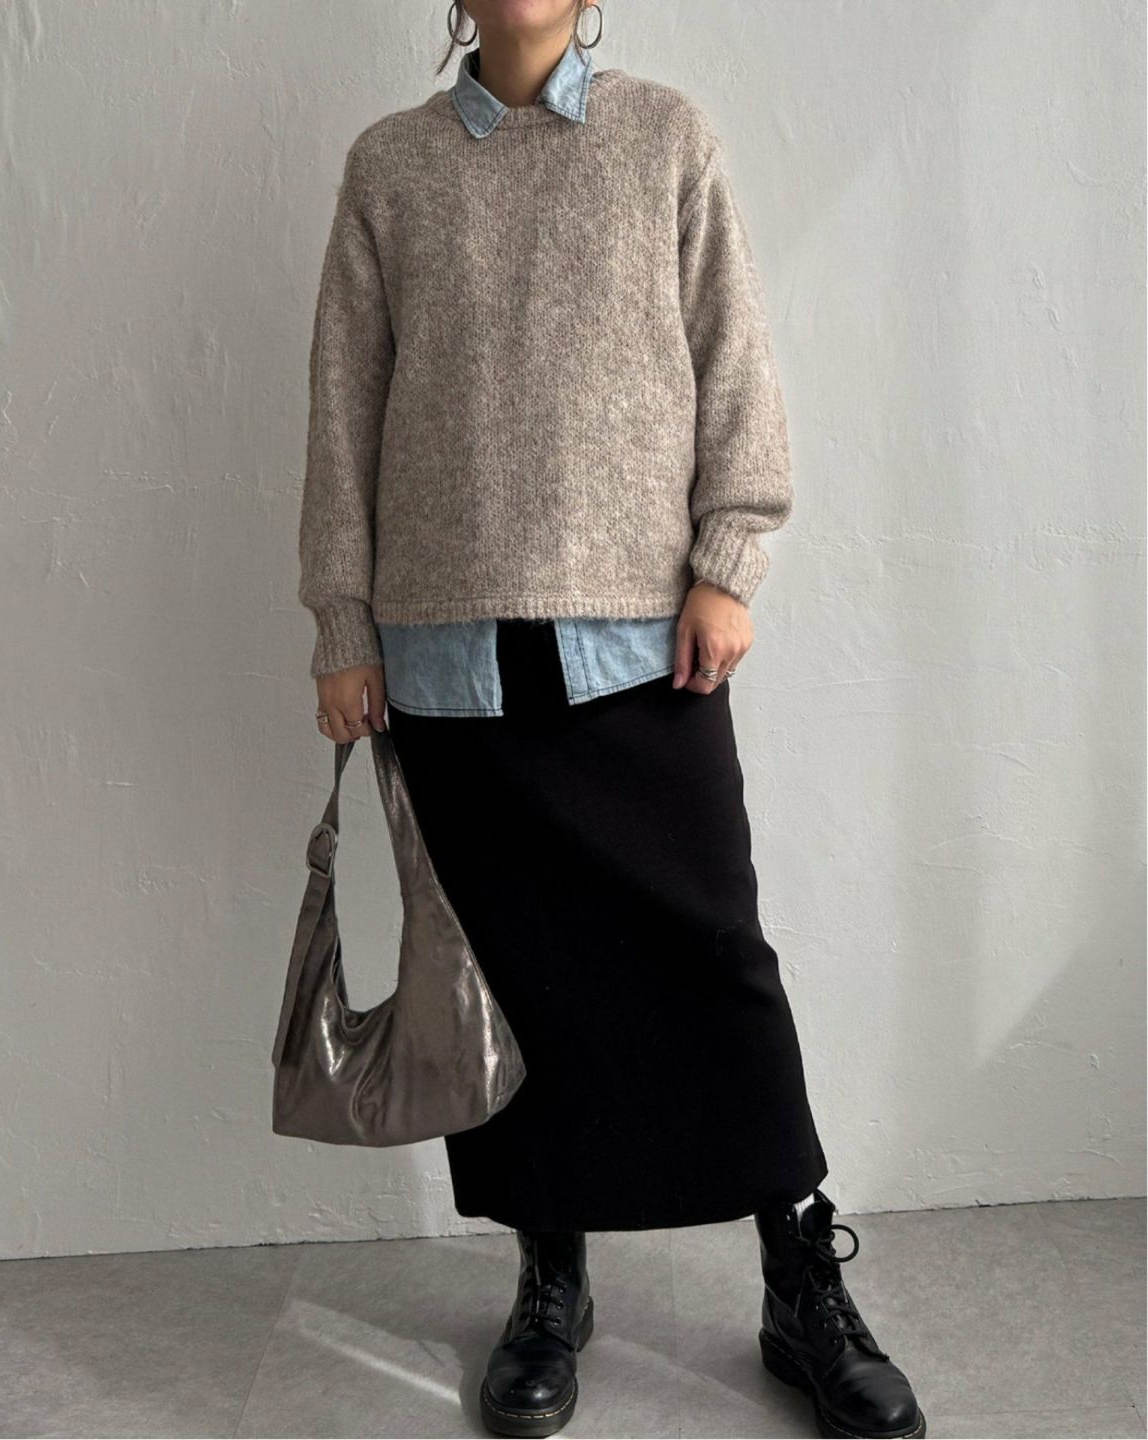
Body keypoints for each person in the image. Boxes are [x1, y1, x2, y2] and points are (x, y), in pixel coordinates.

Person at [297, 3, 927, 1436]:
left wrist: (729, 562)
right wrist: (341, 622)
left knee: (714, 955)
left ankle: (798, 1278)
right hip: (446, 652)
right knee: (514, 984)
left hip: (645, 642)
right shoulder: (391, 167)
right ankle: (550, 1279)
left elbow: (734, 362)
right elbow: (342, 408)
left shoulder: (665, 139)